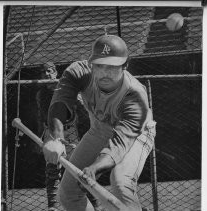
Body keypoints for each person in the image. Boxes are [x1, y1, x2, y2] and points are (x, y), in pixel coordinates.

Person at [43, 34, 156, 211]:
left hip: (137, 135)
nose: (104, 72)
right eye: (99, 65)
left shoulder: (134, 95)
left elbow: (119, 146)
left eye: (111, 66)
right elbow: (60, 101)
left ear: (125, 65)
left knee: (120, 182)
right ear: (91, 64)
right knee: (68, 192)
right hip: (99, 130)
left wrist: (95, 168)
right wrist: (55, 139)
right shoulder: (79, 72)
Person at [36, 62, 80, 211]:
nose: (47, 75)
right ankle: (53, 206)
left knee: (77, 167)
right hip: (50, 131)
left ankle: (87, 203)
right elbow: (41, 117)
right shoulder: (41, 94)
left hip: (69, 130)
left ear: (55, 72)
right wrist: (41, 137)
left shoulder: (65, 88)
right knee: (52, 168)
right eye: (43, 73)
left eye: (49, 71)